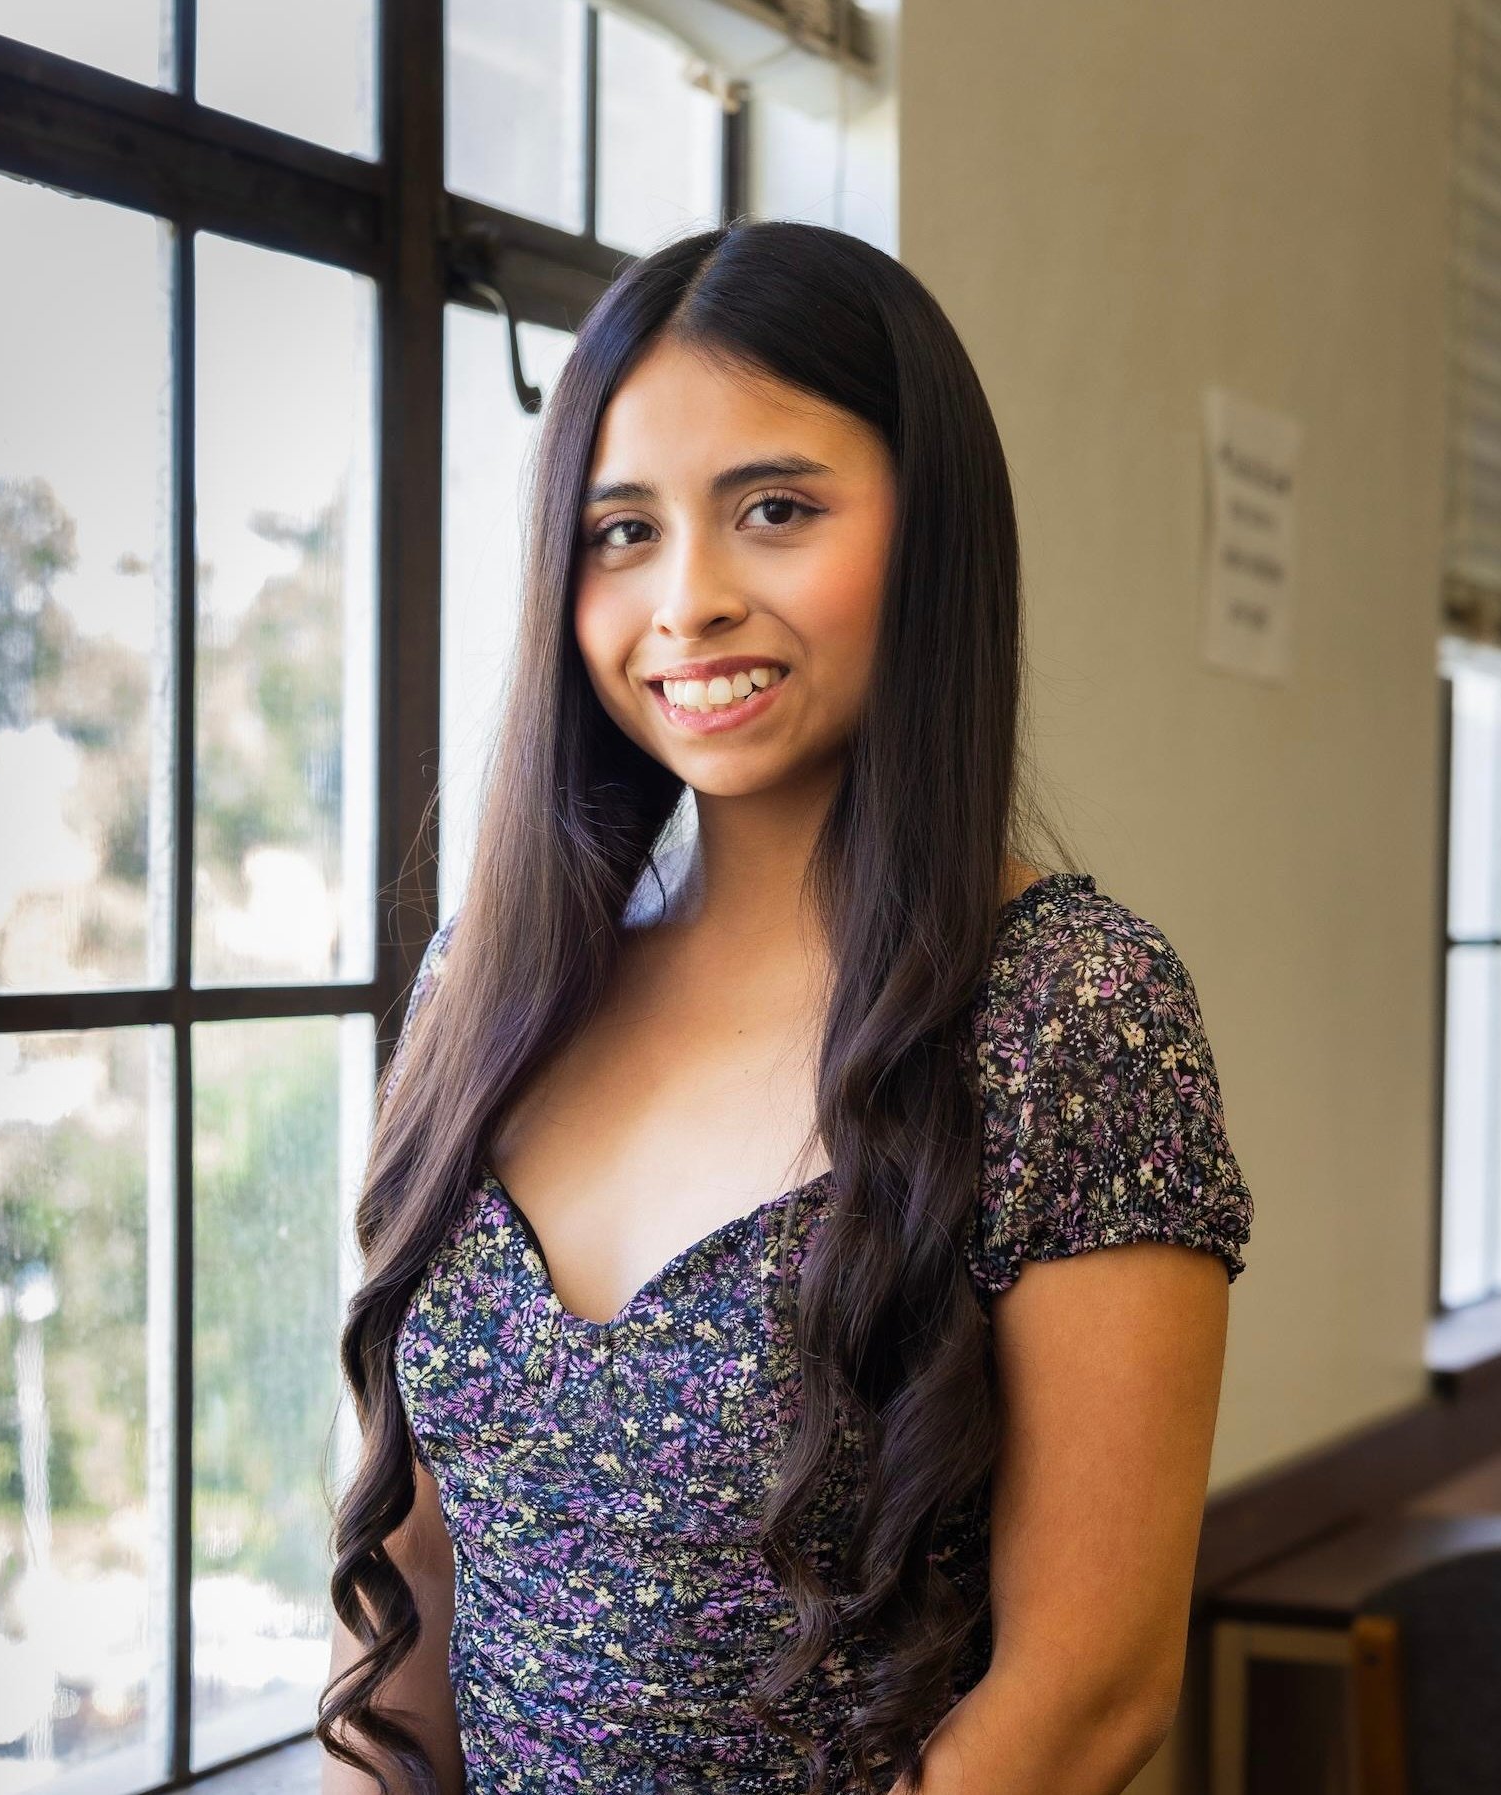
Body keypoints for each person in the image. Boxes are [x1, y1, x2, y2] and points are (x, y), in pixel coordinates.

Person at [320, 219, 1254, 1795]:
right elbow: (399, 1587)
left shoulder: (1075, 1012)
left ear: (931, 529)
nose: (687, 600)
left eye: (774, 509)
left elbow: (1086, 1693)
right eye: (621, 532)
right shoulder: (488, 984)